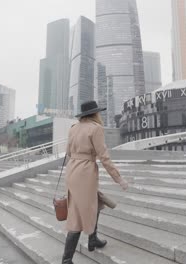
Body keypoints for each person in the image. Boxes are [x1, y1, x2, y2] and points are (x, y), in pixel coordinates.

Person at [61, 101, 128, 264]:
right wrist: (119, 179)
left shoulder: (73, 128)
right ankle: (66, 260)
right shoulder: (95, 128)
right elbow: (104, 157)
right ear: (95, 113)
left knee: (95, 203)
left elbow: (68, 152)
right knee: (77, 214)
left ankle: (93, 239)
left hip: (73, 170)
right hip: (85, 173)